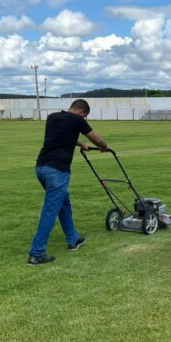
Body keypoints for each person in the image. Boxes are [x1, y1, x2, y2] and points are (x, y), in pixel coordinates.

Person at [28, 99, 109, 265]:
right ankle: (36, 254)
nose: (84, 119)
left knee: (63, 204)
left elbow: (62, 137)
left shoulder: (52, 117)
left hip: (41, 168)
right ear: (82, 112)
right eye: (85, 116)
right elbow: (97, 139)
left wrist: (80, 143)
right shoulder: (77, 120)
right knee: (50, 210)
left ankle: (73, 239)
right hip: (58, 171)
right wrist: (103, 146)